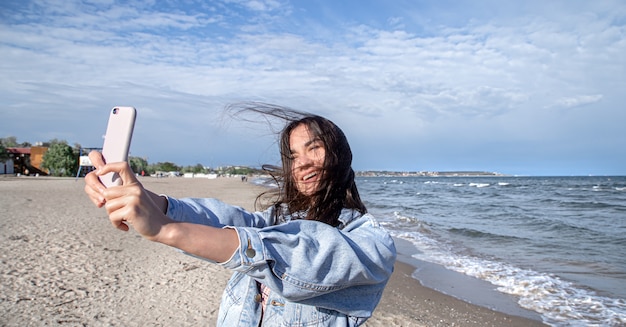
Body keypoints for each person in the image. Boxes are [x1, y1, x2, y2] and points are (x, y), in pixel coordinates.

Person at [84, 103, 396, 326]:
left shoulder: (371, 244)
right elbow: (223, 218)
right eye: (293, 156)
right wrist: (146, 198)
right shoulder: (275, 221)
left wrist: (166, 230)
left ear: (340, 153)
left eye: (314, 148)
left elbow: (304, 258)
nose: (301, 164)